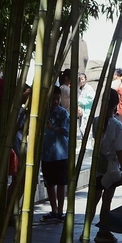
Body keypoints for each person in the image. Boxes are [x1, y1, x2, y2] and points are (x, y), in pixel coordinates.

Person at [93, 89, 122, 243]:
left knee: (94, 199)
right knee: (106, 200)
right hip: (111, 167)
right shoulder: (117, 125)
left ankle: (86, 230)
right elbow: (119, 150)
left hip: (98, 165)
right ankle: (103, 231)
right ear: (115, 104)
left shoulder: (96, 121)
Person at [41, 88, 69, 221]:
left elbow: (67, 130)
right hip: (46, 152)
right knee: (49, 183)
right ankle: (54, 209)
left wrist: (53, 128)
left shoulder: (62, 113)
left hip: (60, 153)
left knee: (61, 183)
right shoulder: (42, 112)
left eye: (57, 99)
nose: (55, 101)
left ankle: (60, 211)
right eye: (53, 99)